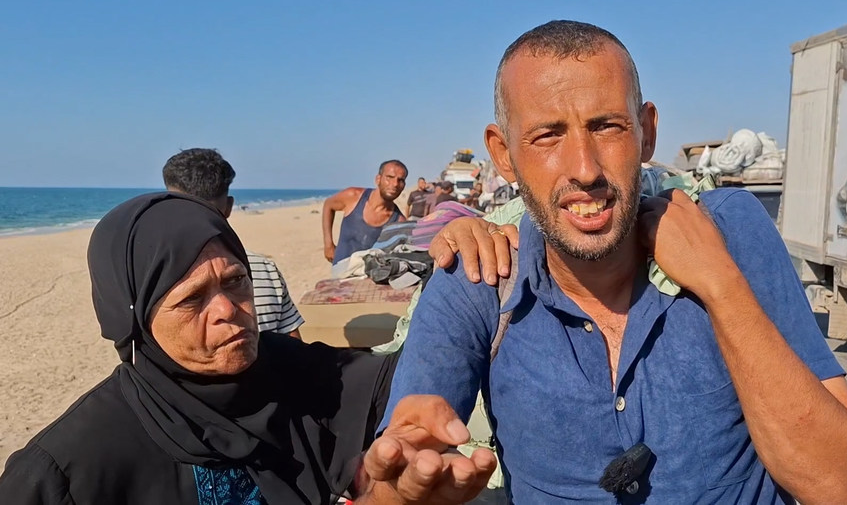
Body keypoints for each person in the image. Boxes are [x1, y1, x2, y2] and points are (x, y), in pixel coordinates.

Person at [381, 20, 847, 503]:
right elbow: (400, 457)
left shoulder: (728, 231)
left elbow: (833, 481)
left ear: (647, 131)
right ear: (504, 153)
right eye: (548, 135)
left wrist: (720, 284)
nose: (585, 169)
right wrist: (400, 486)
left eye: (607, 127)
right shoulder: (479, 276)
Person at [0, 192, 495, 504]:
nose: (227, 309)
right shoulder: (70, 469)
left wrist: (461, 258)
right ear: (131, 317)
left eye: (235, 282)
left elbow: (406, 374)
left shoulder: (292, 372)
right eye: (192, 299)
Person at [163, 148, 304, 339]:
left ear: (168, 207)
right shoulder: (264, 269)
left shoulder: (155, 277)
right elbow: (294, 349)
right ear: (228, 207)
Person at [323, 160, 407, 265]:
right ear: (378, 179)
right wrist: (328, 244)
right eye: (389, 177)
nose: (395, 184)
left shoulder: (398, 222)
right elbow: (328, 205)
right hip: (339, 271)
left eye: (400, 180)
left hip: (367, 277)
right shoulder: (353, 197)